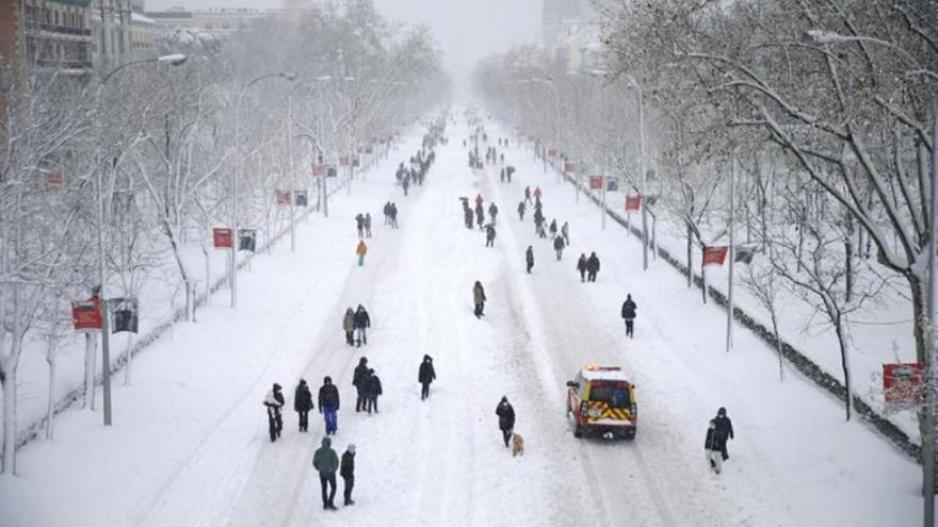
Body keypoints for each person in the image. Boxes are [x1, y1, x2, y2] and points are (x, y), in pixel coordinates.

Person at [313, 437, 339, 510]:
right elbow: (336, 462)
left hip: (322, 473)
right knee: (333, 487)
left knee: (324, 488)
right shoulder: (332, 452)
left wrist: (319, 468)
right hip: (331, 473)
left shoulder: (318, 452)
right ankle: (330, 502)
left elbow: (314, 462)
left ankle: (325, 504)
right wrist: (333, 469)